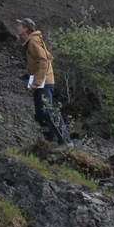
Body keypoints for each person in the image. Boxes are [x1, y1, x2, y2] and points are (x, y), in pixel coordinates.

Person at [15, 18, 74, 152]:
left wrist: (37, 81)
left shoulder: (33, 41)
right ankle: (52, 142)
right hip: (43, 81)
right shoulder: (32, 41)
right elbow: (49, 57)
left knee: (47, 110)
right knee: (41, 114)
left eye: (19, 25)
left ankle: (65, 142)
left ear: (25, 29)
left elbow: (43, 60)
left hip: (44, 82)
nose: (17, 27)